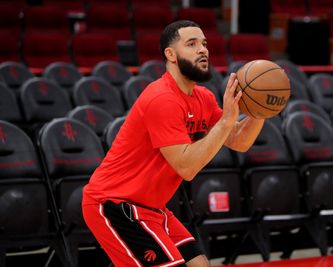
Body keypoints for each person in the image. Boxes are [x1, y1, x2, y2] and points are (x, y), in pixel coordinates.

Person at [82, 20, 265, 267]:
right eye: (191, 44)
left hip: (152, 207)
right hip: (115, 204)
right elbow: (187, 168)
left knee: (200, 265)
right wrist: (226, 121)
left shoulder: (203, 97)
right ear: (170, 54)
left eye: (204, 43)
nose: (203, 49)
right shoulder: (162, 98)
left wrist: (260, 109)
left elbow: (239, 142)